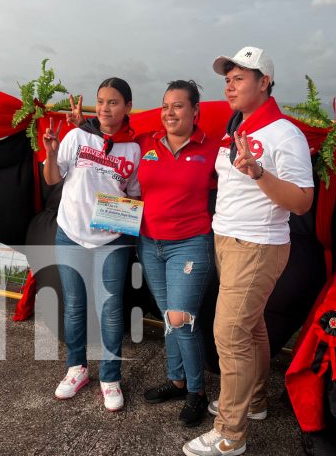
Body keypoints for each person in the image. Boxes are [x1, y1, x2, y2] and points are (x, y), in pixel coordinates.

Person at [184, 47, 314, 455]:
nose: (230, 85)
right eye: (228, 78)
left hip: (256, 245)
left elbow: (302, 201)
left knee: (230, 335)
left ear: (265, 82)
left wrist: (258, 172)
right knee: (252, 328)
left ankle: (230, 435)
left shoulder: (283, 133)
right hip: (228, 241)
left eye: (240, 78)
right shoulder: (237, 126)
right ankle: (253, 401)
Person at [42, 77, 141, 412]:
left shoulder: (135, 148)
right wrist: (51, 155)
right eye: (100, 102)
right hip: (70, 232)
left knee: (110, 308)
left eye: (112, 102)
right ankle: (77, 369)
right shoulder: (77, 136)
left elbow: (136, 193)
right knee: (73, 304)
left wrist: (126, 216)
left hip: (112, 238)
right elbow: (53, 178)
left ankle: (110, 377)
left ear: (127, 106)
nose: (104, 108)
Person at [136, 80, 219, 427]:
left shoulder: (213, 149)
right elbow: (108, 138)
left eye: (179, 106)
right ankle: (177, 381)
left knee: (181, 321)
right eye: (165, 105)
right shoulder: (146, 144)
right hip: (149, 243)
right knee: (168, 316)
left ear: (195, 111)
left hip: (190, 244)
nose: (170, 112)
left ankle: (197, 393)